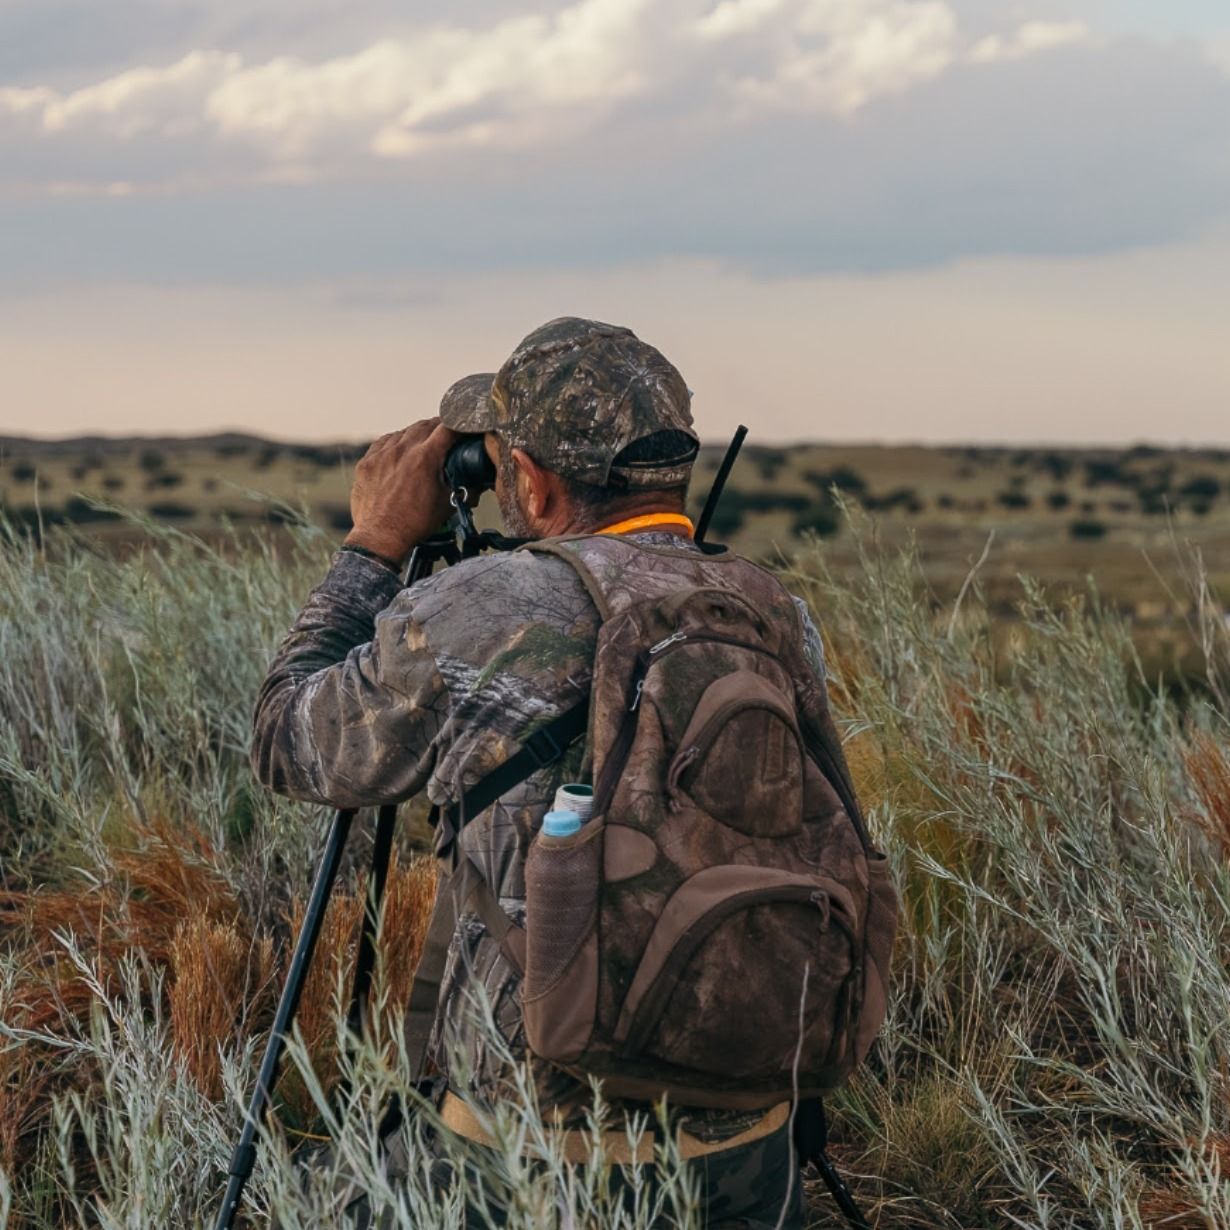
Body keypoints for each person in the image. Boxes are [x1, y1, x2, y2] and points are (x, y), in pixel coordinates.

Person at [251, 317, 888, 1228]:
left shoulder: (480, 608)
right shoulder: (773, 609)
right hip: (750, 1146)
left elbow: (286, 740)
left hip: (525, 1162)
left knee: (319, 1196)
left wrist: (375, 545)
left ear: (533, 481)